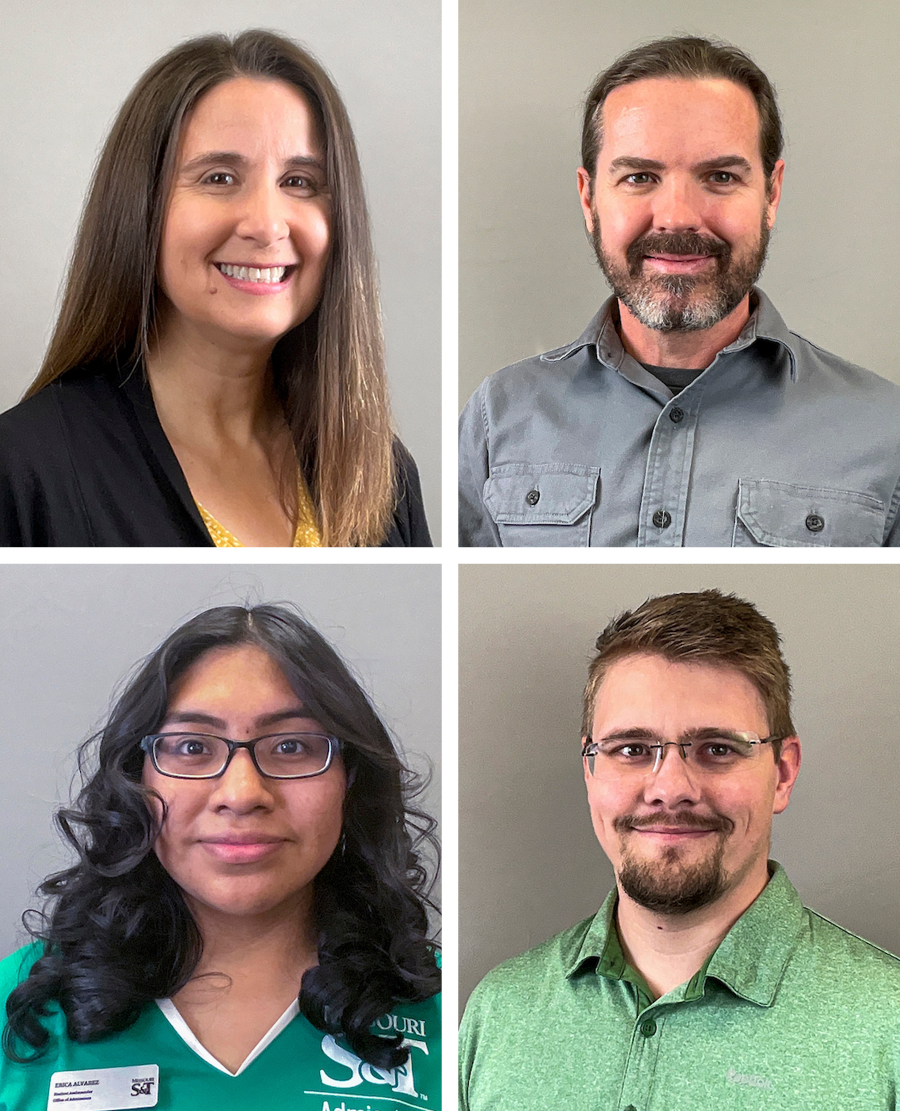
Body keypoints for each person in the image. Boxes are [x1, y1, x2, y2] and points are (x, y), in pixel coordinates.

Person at [459, 590, 900, 1109]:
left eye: (717, 749)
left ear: (782, 773)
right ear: (589, 769)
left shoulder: (887, 1028)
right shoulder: (498, 1013)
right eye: (631, 750)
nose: (670, 787)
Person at [458, 36, 900, 547]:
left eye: (719, 176)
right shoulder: (500, 414)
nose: (677, 217)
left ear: (772, 194)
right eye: (640, 176)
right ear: (588, 197)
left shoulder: (885, 430)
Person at [0, 31, 431, 547]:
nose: (268, 225)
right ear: (140, 208)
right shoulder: (25, 470)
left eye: (299, 182)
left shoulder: (380, 473)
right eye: (220, 178)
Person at [0, 604, 440, 1108]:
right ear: (135, 778)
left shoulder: (445, 1010)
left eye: (292, 746)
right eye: (191, 748)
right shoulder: (19, 1004)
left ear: (352, 782)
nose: (242, 792)